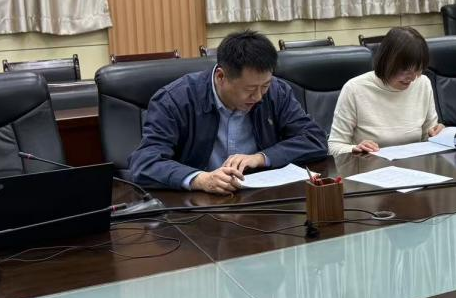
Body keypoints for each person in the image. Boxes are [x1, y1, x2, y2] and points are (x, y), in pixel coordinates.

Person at [128, 30, 327, 193]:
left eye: (265, 86)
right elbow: (145, 162)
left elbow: (314, 139)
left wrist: (261, 157)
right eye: (249, 89)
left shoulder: (276, 92)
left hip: (259, 198)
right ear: (221, 77)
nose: (259, 97)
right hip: (199, 206)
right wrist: (200, 179)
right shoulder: (176, 100)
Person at [329, 27, 444, 155]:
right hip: (369, 165)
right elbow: (334, 146)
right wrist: (354, 149)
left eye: (418, 69)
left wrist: (438, 135)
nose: (412, 78)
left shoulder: (423, 83)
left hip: (415, 164)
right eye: (405, 70)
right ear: (387, 62)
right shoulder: (354, 89)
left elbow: (428, 137)